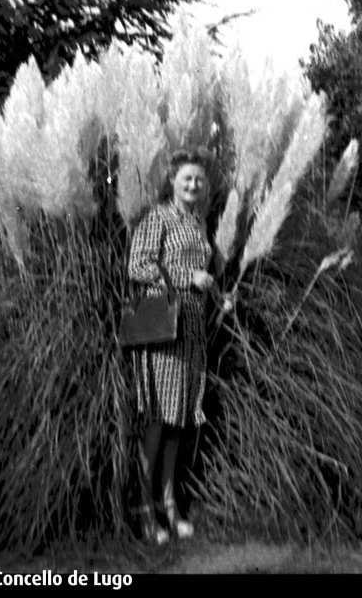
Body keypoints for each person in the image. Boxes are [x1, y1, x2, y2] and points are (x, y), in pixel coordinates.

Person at [127, 149, 224, 544]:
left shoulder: (199, 221)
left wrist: (216, 292)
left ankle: (170, 505)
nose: (194, 184)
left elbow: (204, 273)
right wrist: (189, 276)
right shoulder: (158, 217)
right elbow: (137, 266)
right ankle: (144, 508)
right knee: (158, 421)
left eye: (199, 179)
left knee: (178, 423)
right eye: (187, 177)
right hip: (164, 329)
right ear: (172, 180)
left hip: (192, 329)